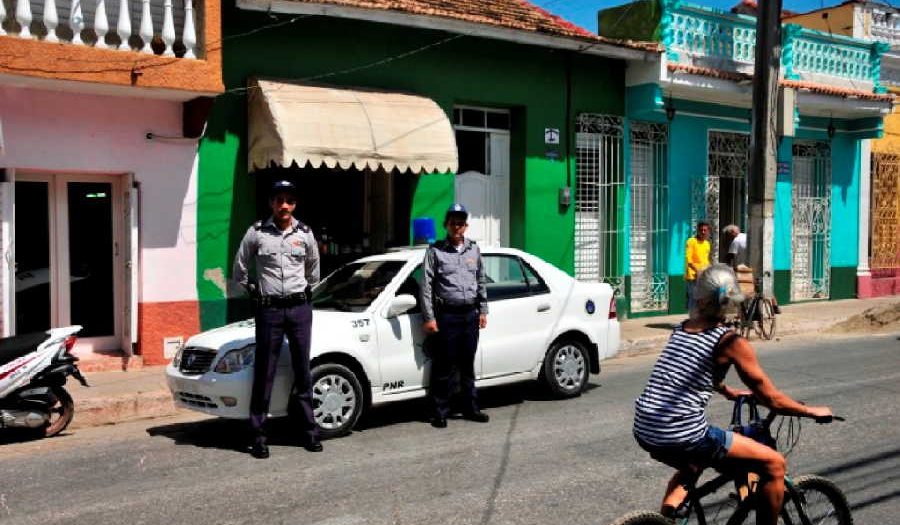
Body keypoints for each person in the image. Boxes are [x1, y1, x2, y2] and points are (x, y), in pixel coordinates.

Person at [632, 264, 832, 525]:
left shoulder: (682, 329)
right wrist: (809, 410)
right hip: (683, 432)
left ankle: (664, 521)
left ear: (699, 298)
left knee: (692, 466)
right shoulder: (730, 342)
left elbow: (686, 374)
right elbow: (771, 399)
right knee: (773, 463)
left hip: (645, 427)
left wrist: (726, 390)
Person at [233, 180, 322, 458]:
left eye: (289, 200)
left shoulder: (305, 234)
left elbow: (314, 271)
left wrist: (301, 295)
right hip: (269, 310)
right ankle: (258, 435)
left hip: (299, 310)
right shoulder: (256, 232)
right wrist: (254, 292)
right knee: (265, 371)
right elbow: (240, 269)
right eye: (279, 200)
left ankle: (309, 432)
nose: (284, 205)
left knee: (302, 370)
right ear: (271, 203)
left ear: (294, 204)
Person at [420, 203, 489, 429]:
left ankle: (471, 408)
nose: (457, 226)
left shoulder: (474, 250)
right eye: (453, 223)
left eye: (460, 223)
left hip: (470, 314)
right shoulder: (435, 251)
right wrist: (429, 318)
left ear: (466, 226)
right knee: (444, 365)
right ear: (446, 225)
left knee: (467, 364)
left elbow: (481, 281)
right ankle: (439, 411)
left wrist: (483, 310)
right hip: (447, 315)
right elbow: (426, 287)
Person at [684, 221, 712, 312]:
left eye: (705, 230)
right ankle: (692, 320)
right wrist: (697, 270)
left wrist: (710, 269)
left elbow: (705, 260)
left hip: (703, 276)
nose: (703, 232)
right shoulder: (691, 241)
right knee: (693, 297)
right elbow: (689, 259)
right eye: (701, 230)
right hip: (693, 276)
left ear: (708, 231)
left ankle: (698, 320)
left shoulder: (707, 243)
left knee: (702, 299)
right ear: (698, 231)